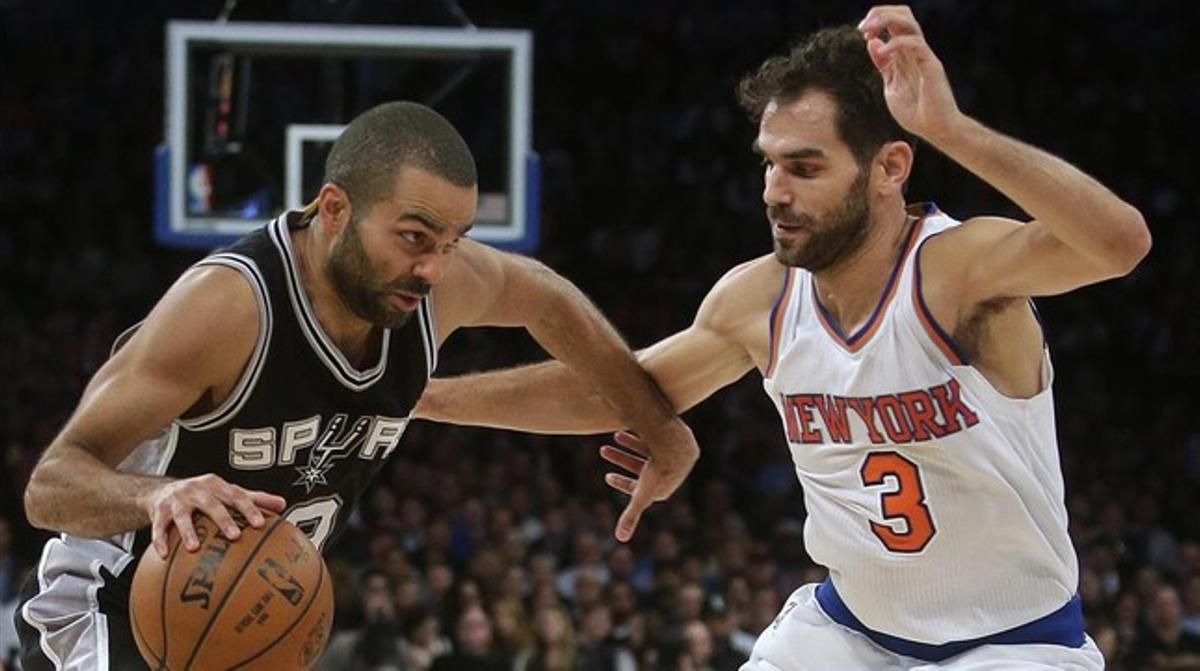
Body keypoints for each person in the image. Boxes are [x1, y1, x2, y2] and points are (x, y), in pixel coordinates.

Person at [416, 6, 1151, 669]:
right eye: (769, 163)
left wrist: (949, 129)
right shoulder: (759, 298)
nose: (774, 189)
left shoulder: (957, 273)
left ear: (891, 166)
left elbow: (1118, 243)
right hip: (849, 634)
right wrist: (417, 395)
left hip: (1012, 644)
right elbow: (613, 387)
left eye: (804, 167)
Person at [15, 101, 699, 670]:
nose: (433, 267)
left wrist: (660, 428)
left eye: (453, 242)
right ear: (335, 208)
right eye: (413, 237)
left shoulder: (430, 288)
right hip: (113, 606)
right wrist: (161, 492)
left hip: (244, 619)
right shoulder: (226, 307)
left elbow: (546, 297)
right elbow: (51, 486)